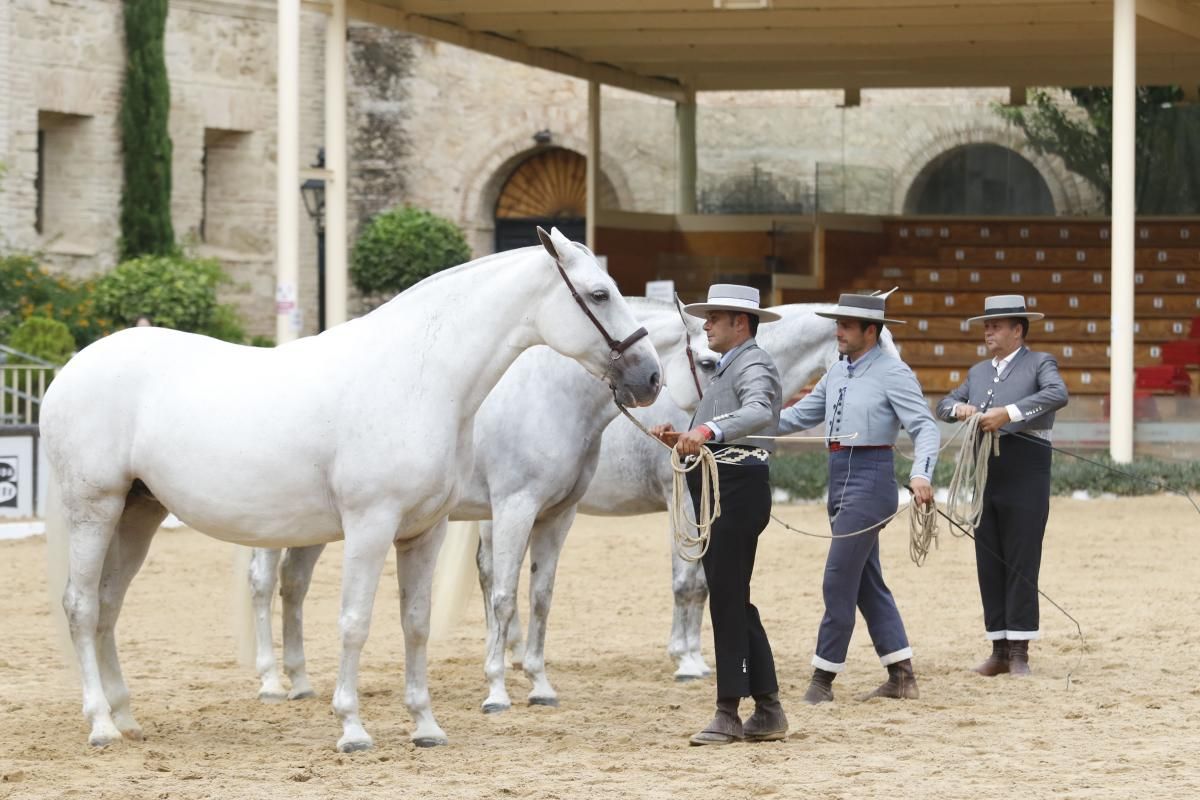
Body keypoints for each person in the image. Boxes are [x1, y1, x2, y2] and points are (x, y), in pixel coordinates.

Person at [777, 291, 939, 704]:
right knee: (866, 581)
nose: (838, 332)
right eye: (838, 324)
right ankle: (901, 674)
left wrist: (921, 473)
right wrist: (738, 427)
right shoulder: (838, 372)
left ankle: (822, 679)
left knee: (838, 578)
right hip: (839, 477)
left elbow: (925, 427)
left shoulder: (894, 372)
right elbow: (799, 415)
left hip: (871, 479)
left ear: (871, 331)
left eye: (846, 326)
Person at [649, 284, 785, 746]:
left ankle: (729, 710)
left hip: (736, 490)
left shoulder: (755, 364)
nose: (705, 325)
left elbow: (759, 411)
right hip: (722, 487)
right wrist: (684, 439)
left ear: (740, 323)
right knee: (733, 597)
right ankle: (767, 708)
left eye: (715, 318)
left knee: (728, 598)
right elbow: (725, 429)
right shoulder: (734, 365)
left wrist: (705, 429)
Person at [934, 295, 1068, 677]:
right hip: (985, 471)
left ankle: (1020, 649)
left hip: (1026, 468)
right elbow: (943, 404)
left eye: (996, 326)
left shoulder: (1040, 362)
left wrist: (1007, 413)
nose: (988, 332)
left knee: (1022, 557)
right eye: (986, 326)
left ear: (1017, 330)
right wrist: (958, 410)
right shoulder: (978, 372)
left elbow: (1057, 394)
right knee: (989, 557)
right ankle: (998, 647)